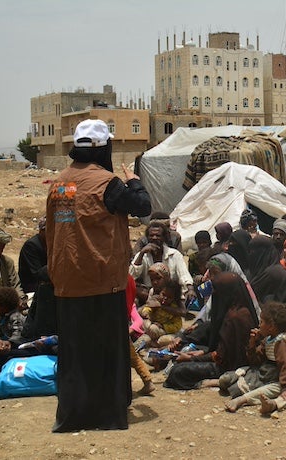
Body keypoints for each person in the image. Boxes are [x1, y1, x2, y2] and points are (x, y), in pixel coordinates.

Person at [46, 118, 151, 432]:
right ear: (103, 148)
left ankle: (73, 414)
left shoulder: (60, 184)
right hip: (102, 281)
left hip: (67, 282)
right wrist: (133, 180)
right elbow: (143, 206)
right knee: (106, 352)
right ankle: (108, 414)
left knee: (75, 353)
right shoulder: (108, 183)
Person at [164, 272, 258, 390]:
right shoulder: (232, 310)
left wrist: (192, 358)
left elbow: (222, 357)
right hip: (222, 356)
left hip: (230, 366)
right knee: (188, 348)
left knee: (178, 371)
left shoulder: (236, 318)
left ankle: (212, 382)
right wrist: (201, 353)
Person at [222, 301, 286, 412]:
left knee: (256, 388)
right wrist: (253, 343)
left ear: (271, 327)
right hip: (267, 371)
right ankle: (222, 381)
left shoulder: (281, 342)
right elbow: (255, 360)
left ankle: (241, 400)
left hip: (278, 377)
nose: (259, 325)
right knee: (239, 373)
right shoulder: (269, 339)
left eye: (262, 322)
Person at [129, 221, 195, 306]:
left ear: (164, 237)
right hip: (149, 293)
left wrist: (190, 289)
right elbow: (131, 276)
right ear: (147, 238)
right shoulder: (142, 255)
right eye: (151, 235)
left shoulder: (174, 255)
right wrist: (141, 253)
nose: (154, 238)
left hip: (170, 294)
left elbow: (184, 275)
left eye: (158, 235)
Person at [139, 271, 184, 348]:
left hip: (165, 331)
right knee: (146, 327)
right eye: (163, 294)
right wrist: (146, 312)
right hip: (152, 327)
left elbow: (177, 326)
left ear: (173, 299)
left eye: (169, 297)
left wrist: (163, 326)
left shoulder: (174, 309)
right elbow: (148, 308)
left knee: (167, 340)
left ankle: (156, 344)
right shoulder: (156, 300)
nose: (165, 298)